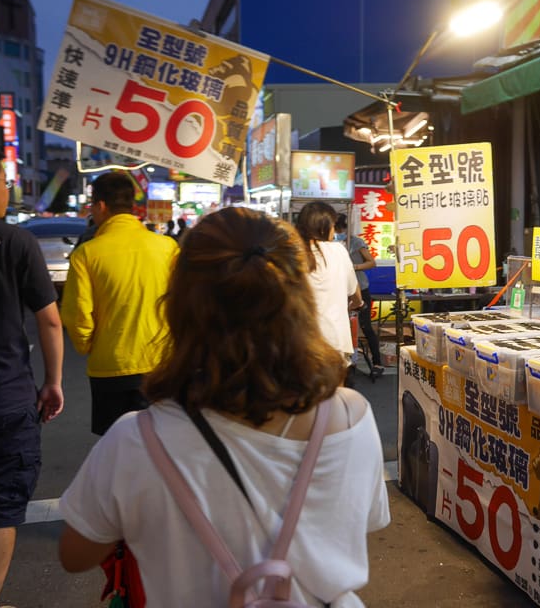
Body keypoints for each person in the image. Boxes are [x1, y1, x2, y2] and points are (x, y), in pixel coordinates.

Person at [57, 207, 390, 606]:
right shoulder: (349, 415)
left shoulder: (136, 438)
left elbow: (76, 555)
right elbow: (367, 520)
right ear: (298, 298)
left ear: (179, 306)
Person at [0, 142, 64, 608]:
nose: (8, 190)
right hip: (6, 400)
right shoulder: (16, 242)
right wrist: (53, 381)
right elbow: (49, 319)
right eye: (5, 181)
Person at [61, 172, 178, 435]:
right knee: (161, 446)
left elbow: (77, 315)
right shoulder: (168, 247)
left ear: (101, 206)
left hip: (110, 368)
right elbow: (182, 301)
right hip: (161, 365)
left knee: (115, 447)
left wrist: (89, 345)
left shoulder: (86, 254)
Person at [295, 202, 363, 372]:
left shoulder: (293, 252)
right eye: (333, 225)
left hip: (299, 340)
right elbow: (355, 294)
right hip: (334, 340)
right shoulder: (338, 251)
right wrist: (356, 304)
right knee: (333, 395)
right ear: (325, 226)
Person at [334, 213, 384, 377]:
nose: (337, 232)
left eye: (338, 229)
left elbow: (372, 262)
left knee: (365, 326)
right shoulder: (332, 243)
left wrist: (353, 267)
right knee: (342, 327)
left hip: (359, 289)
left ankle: (377, 363)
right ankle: (347, 362)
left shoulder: (355, 242)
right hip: (340, 290)